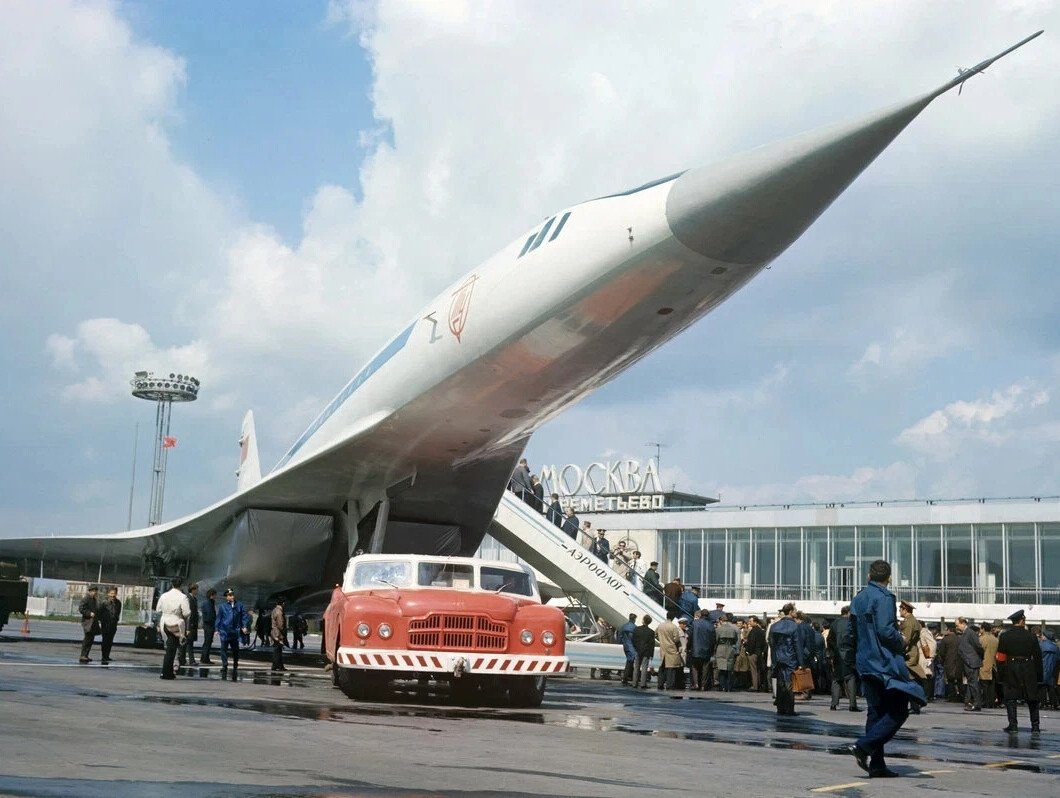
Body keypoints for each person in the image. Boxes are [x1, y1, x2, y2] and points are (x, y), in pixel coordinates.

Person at [843, 559, 926, 779]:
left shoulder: (859, 597)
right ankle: (863, 746)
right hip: (884, 663)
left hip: (865, 662)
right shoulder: (885, 597)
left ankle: (877, 764)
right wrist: (900, 641)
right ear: (889, 578)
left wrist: (853, 657)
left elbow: (850, 632)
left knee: (875, 711)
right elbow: (885, 631)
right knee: (898, 710)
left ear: (869, 576)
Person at [996, 609, 1043, 733]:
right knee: (1032, 698)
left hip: (1011, 668)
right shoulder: (1031, 636)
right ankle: (1035, 725)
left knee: (1010, 698)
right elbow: (1038, 657)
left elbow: (1000, 657)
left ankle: (1013, 725)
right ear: (1022, 620)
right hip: (1028, 667)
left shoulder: (1005, 636)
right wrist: (1039, 676)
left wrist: (1001, 674)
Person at [769, 603, 803, 716]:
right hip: (790, 657)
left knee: (780, 683)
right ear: (790, 612)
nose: (796, 612)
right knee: (789, 683)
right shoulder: (795, 626)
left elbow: (771, 644)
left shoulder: (774, 626)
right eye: (795, 610)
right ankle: (789, 708)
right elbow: (797, 645)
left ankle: (780, 708)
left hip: (778, 657)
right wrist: (801, 662)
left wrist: (774, 659)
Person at [155, 577, 190, 680]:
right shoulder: (183, 597)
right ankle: (166, 672)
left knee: (169, 648)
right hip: (175, 623)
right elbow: (187, 612)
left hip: (164, 622)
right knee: (171, 650)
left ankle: (168, 671)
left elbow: (158, 609)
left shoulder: (164, 595)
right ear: (181, 585)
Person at [827, 605, 860, 711]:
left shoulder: (834, 624)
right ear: (849, 613)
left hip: (837, 655)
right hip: (849, 654)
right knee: (850, 677)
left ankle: (834, 704)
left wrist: (832, 653)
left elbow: (829, 640)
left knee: (836, 679)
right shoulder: (852, 624)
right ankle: (852, 704)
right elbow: (856, 640)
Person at [216, 587, 251, 681]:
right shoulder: (222, 606)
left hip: (235, 631)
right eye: (229, 595)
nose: (231, 596)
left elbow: (244, 616)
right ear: (226, 597)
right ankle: (225, 665)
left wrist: (244, 626)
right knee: (223, 649)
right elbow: (219, 618)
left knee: (235, 650)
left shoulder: (239, 605)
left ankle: (235, 664)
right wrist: (217, 629)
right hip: (225, 631)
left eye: (232, 595)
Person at [898, 601, 925, 713]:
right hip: (911, 652)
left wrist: (899, 649)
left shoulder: (909, 622)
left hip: (908, 653)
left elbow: (905, 640)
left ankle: (918, 701)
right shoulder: (913, 620)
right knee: (910, 679)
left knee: (908, 679)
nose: (899, 611)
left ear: (905, 610)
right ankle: (915, 705)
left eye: (900, 609)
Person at [956, 617, 984, 711]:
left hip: (971, 661)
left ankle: (977, 703)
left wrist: (976, 658)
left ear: (963, 623)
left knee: (973, 683)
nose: (957, 627)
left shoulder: (970, 633)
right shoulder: (965, 633)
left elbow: (978, 646)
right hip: (968, 661)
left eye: (957, 625)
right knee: (971, 683)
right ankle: (970, 701)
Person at [656, 612, 683, 690]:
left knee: (662, 667)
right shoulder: (673, 627)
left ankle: (660, 684)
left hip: (663, 648)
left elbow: (655, 634)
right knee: (671, 668)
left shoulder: (660, 625)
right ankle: (669, 685)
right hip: (671, 649)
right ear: (673, 617)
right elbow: (676, 639)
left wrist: (661, 640)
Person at [690, 610, 716, 691]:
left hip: (695, 649)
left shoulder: (695, 623)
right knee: (705, 668)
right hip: (707, 650)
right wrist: (712, 650)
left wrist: (689, 647)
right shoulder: (711, 625)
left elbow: (690, 636)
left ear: (701, 614)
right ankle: (703, 685)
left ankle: (696, 684)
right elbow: (713, 639)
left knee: (694, 667)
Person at [714, 613, 739, 692]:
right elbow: (736, 640)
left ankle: (722, 686)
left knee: (721, 668)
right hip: (730, 648)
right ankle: (729, 686)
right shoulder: (733, 629)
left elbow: (716, 640)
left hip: (721, 647)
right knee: (729, 668)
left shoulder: (718, 629)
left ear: (721, 620)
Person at [97, 586, 122, 665]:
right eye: (111, 593)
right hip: (105, 624)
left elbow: (118, 613)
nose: (112, 595)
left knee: (110, 641)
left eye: (114, 593)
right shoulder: (104, 602)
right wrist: (103, 620)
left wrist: (116, 620)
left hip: (113, 625)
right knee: (105, 640)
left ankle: (107, 656)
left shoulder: (118, 603)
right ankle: (104, 656)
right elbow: (99, 613)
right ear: (108, 594)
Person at [77, 585, 101, 664]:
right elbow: (81, 609)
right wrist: (89, 613)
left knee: (91, 639)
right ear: (89, 591)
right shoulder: (86, 599)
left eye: (95, 591)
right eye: (93, 591)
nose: (95, 592)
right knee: (87, 639)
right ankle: (83, 655)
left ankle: (86, 655)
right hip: (87, 622)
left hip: (93, 622)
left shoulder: (94, 600)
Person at [744, 615, 767, 692]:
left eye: (751, 621)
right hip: (759, 652)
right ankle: (758, 684)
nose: (749, 623)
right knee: (757, 669)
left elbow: (752, 643)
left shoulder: (754, 631)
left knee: (753, 670)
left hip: (753, 653)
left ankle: (755, 686)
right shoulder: (761, 631)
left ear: (755, 622)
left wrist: (748, 651)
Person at [179, 583, 200, 666]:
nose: (198, 591)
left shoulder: (193, 598)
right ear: (193, 589)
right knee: (189, 643)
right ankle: (191, 660)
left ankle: (183, 659)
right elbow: (189, 614)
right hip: (189, 625)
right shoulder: (189, 599)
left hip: (191, 625)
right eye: (196, 589)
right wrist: (188, 628)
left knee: (186, 643)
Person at [1038, 628, 1059, 710]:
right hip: (1052, 669)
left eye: (1042, 635)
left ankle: (1042, 703)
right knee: (1051, 687)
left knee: (1042, 686)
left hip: (1042, 667)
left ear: (1045, 636)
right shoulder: (1055, 647)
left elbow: (1037, 656)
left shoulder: (1041, 645)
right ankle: (1054, 704)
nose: (1041, 636)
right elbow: (1058, 658)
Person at [632, 615, 655, 689]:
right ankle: (643, 684)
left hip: (638, 651)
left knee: (636, 667)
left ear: (643, 620)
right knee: (644, 668)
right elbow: (652, 644)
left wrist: (636, 648)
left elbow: (633, 640)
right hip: (646, 652)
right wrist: (651, 654)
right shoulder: (651, 632)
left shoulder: (637, 629)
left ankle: (634, 683)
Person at [617, 613, 637, 686]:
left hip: (625, 645)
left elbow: (620, 636)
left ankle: (626, 677)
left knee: (629, 661)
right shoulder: (635, 627)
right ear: (634, 619)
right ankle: (626, 678)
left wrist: (620, 643)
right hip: (632, 646)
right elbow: (636, 638)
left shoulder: (623, 626)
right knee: (630, 662)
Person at [199, 588, 217, 664]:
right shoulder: (209, 603)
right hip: (209, 625)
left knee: (207, 641)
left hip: (208, 625)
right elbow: (210, 615)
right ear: (211, 595)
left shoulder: (208, 603)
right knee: (208, 642)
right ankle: (205, 658)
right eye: (215, 595)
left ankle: (204, 657)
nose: (216, 596)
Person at [271, 596, 288, 672]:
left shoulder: (275, 610)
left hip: (274, 632)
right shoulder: (279, 612)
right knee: (277, 651)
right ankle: (276, 666)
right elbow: (280, 624)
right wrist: (283, 631)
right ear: (283, 603)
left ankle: (278, 666)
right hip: (278, 633)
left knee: (277, 650)